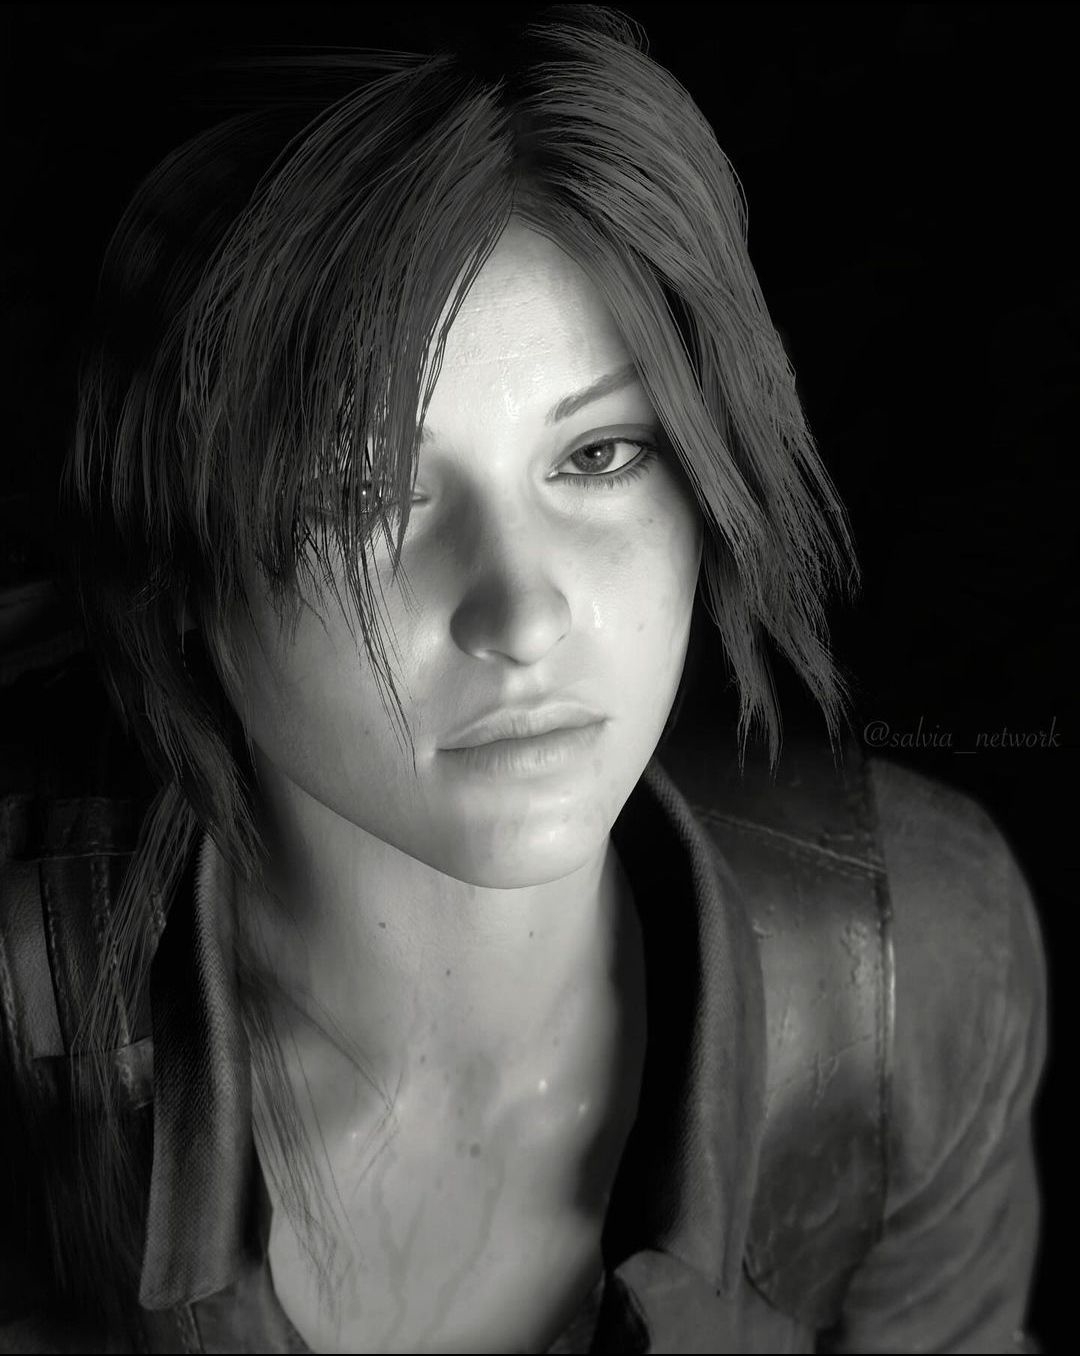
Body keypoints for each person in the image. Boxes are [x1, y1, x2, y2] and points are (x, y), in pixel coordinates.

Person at [0, 6, 1047, 1353]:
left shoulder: (906, 966)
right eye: (357, 493)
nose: (524, 612)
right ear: (173, 550)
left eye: (599, 456)